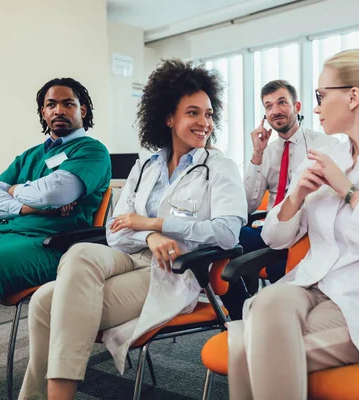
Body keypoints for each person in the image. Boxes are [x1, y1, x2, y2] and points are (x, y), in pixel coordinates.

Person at [18, 59, 248, 399]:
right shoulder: (146, 166)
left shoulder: (220, 167)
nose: (205, 123)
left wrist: (155, 223)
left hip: (173, 270)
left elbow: (228, 233)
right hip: (129, 255)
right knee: (77, 256)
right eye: (193, 113)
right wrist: (150, 234)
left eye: (209, 114)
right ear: (169, 118)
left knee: (48, 304)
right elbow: (116, 229)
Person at [227, 49, 359, 400]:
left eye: (321, 96)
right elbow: (275, 239)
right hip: (310, 284)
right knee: (266, 306)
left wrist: (349, 191)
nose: (315, 107)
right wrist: (295, 197)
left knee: (246, 349)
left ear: (353, 96)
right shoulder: (326, 159)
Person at [0, 77, 111, 399]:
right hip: (2, 234)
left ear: (82, 110)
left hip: (50, 245)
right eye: (50, 105)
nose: (59, 110)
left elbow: (58, 190)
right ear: (43, 113)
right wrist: (29, 204)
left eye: (68, 103)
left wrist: (14, 194)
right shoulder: (29, 156)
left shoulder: (91, 151)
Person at [241, 80, 335, 284]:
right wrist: (257, 154)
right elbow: (247, 205)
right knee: (234, 236)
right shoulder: (266, 152)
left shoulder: (326, 145)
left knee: (278, 264)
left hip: (307, 233)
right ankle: (237, 307)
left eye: (282, 102)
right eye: (269, 106)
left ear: (297, 107)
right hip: (274, 231)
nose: (275, 110)